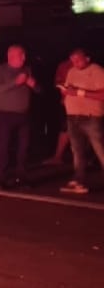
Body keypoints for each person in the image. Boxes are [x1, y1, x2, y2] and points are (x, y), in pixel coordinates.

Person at [0, 45, 41, 188]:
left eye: (24, 55)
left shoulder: (27, 69)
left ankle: (22, 175)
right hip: (4, 114)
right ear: (11, 56)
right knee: (3, 146)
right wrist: (15, 82)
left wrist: (33, 84)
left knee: (24, 146)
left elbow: (38, 90)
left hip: (24, 114)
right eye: (21, 55)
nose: (24, 58)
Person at [58, 49, 104, 194]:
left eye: (78, 60)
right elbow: (69, 88)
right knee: (77, 150)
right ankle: (79, 179)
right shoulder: (71, 71)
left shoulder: (96, 71)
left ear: (87, 58)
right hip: (73, 116)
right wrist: (65, 93)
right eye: (72, 61)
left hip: (91, 116)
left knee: (100, 148)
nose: (75, 63)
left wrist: (79, 93)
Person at [45, 57, 75, 165]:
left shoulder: (91, 68)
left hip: (86, 104)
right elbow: (57, 82)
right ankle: (58, 157)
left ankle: (88, 158)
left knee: (89, 129)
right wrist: (64, 88)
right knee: (65, 128)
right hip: (67, 102)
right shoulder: (64, 65)